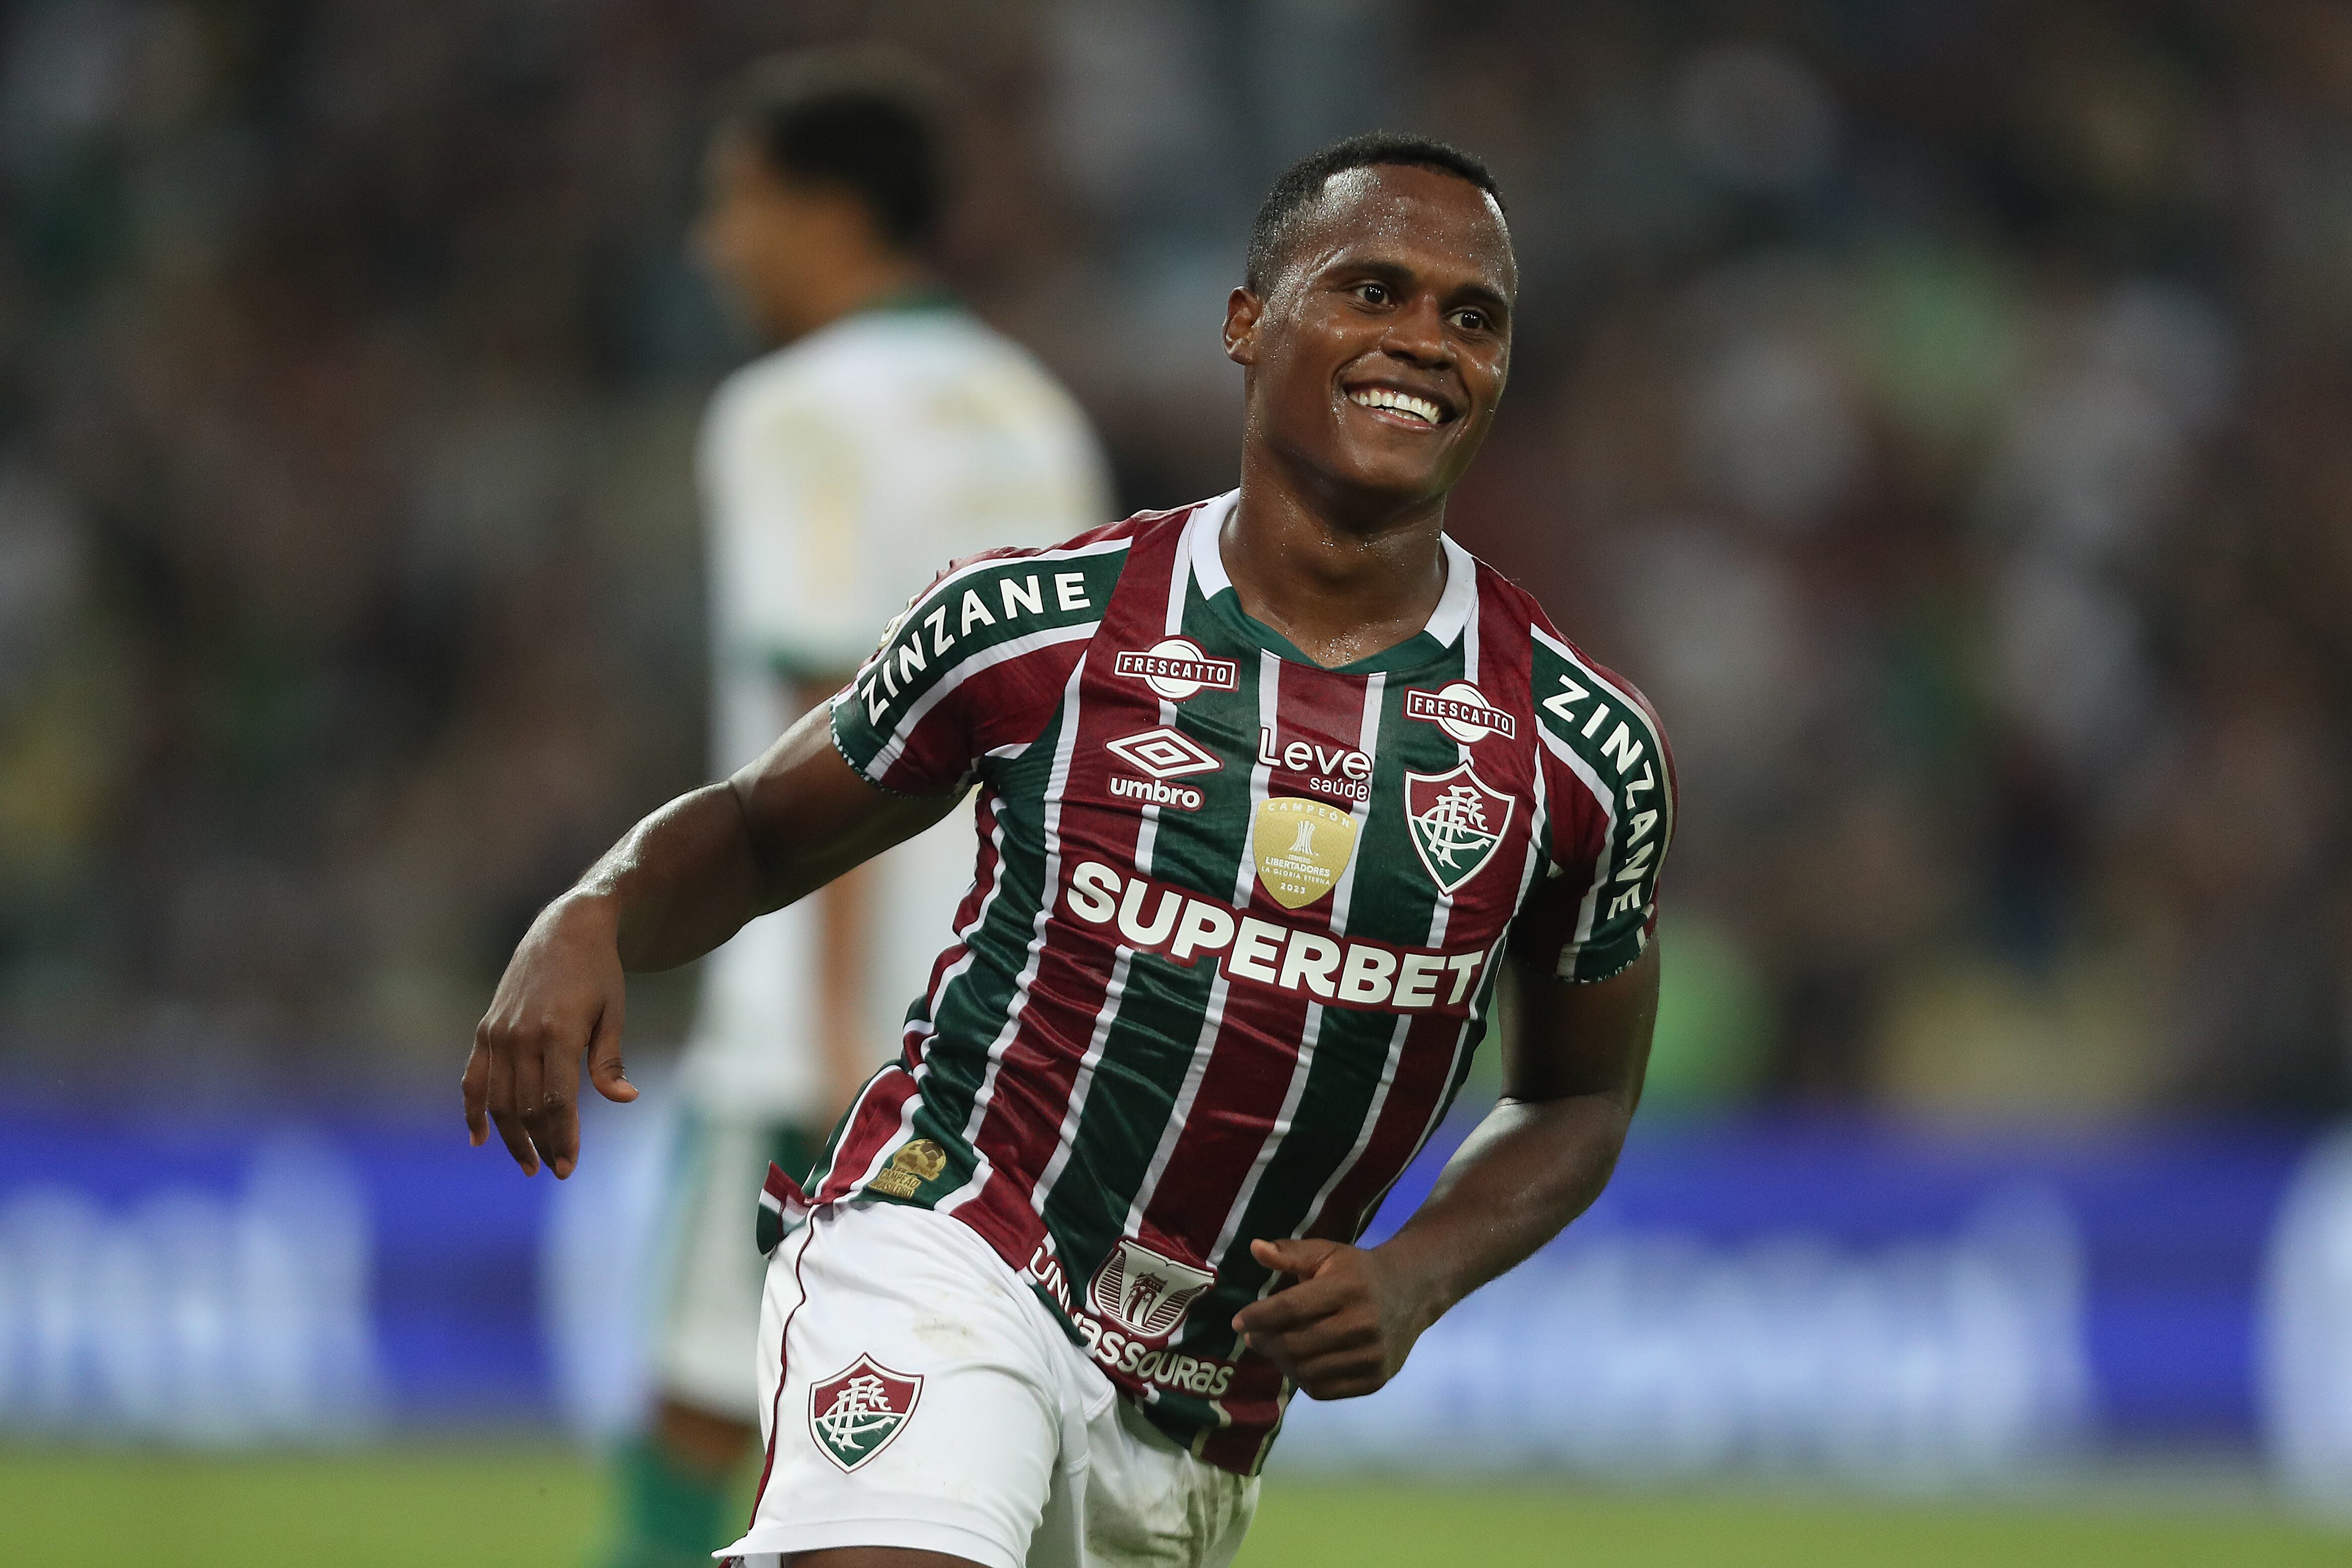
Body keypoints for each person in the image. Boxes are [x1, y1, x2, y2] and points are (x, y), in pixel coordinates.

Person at [470, 130, 1675, 1568]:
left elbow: (1580, 1093)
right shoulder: (1037, 625)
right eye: (1371, 291)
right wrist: (594, 911)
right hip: (955, 1237)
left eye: (1471, 316)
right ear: (1248, 322)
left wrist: (1417, 1275)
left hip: (1197, 1410)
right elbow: (753, 828)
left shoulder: (1580, 752)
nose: (1424, 340)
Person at [596, 49, 1108, 1568]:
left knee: (702, 1404)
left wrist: (828, 1032)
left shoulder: (793, 411)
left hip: (824, 1019)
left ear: (827, 214)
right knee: (968, 1422)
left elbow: (832, 702)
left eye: (736, 204)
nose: (714, 244)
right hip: (1018, 1024)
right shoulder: (1034, 411)